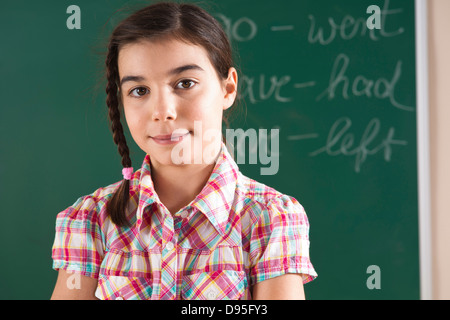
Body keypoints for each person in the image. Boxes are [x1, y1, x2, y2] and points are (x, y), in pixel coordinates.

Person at [51, 1, 317, 300]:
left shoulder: (270, 218)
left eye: (185, 83)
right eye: (139, 91)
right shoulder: (89, 220)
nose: (162, 111)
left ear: (228, 89)